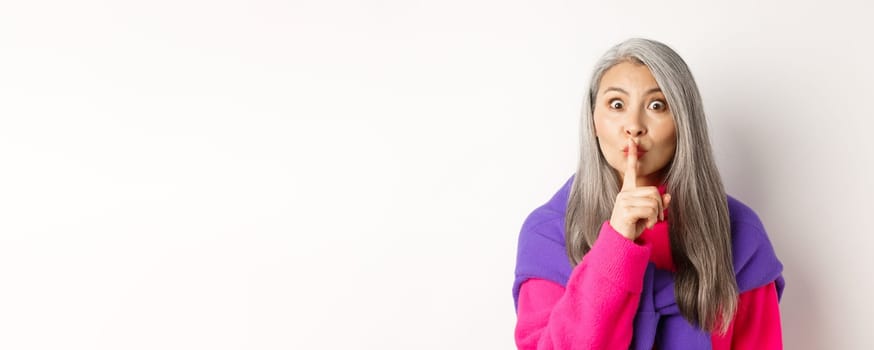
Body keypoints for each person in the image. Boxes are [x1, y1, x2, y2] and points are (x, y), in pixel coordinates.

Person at [511, 38, 785, 349]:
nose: (634, 125)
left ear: (683, 122)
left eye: (657, 105)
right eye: (616, 104)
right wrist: (616, 244)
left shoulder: (740, 233)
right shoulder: (548, 233)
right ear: (593, 122)